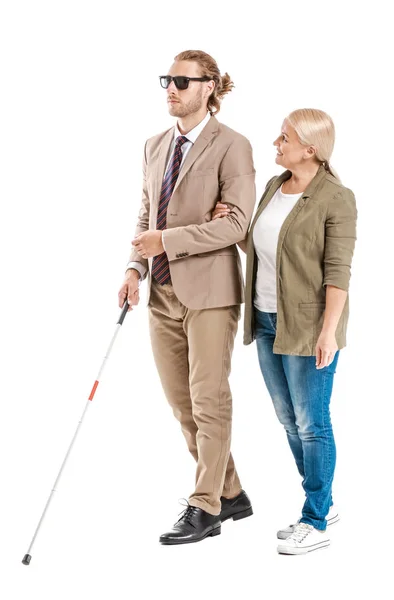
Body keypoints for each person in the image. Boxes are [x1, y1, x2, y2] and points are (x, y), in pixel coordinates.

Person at [118, 50, 256, 545]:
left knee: (208, 400)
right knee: (183, 405)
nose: (171, 89)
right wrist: (135, 267)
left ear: (209, 87)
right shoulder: (155, 145)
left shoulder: (233, 145)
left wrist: (169, 242)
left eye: (182, 80)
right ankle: (232, 491)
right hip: (159, 292)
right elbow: (145, 215)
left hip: (211, 293)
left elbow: (237, 224)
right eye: (167, 80)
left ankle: (206, 506)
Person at [212, 108, 357, 554]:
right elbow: (267, 246)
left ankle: (315, 521)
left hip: (309, 326)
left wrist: (328, 333)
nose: (276, 144)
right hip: (268, 318)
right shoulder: (276, 187)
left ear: (310, 150)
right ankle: (323, 499)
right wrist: (235, 228)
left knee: (313, 423)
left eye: (284, 139)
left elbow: (338, 274)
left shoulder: (337, 197)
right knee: (288, 419)